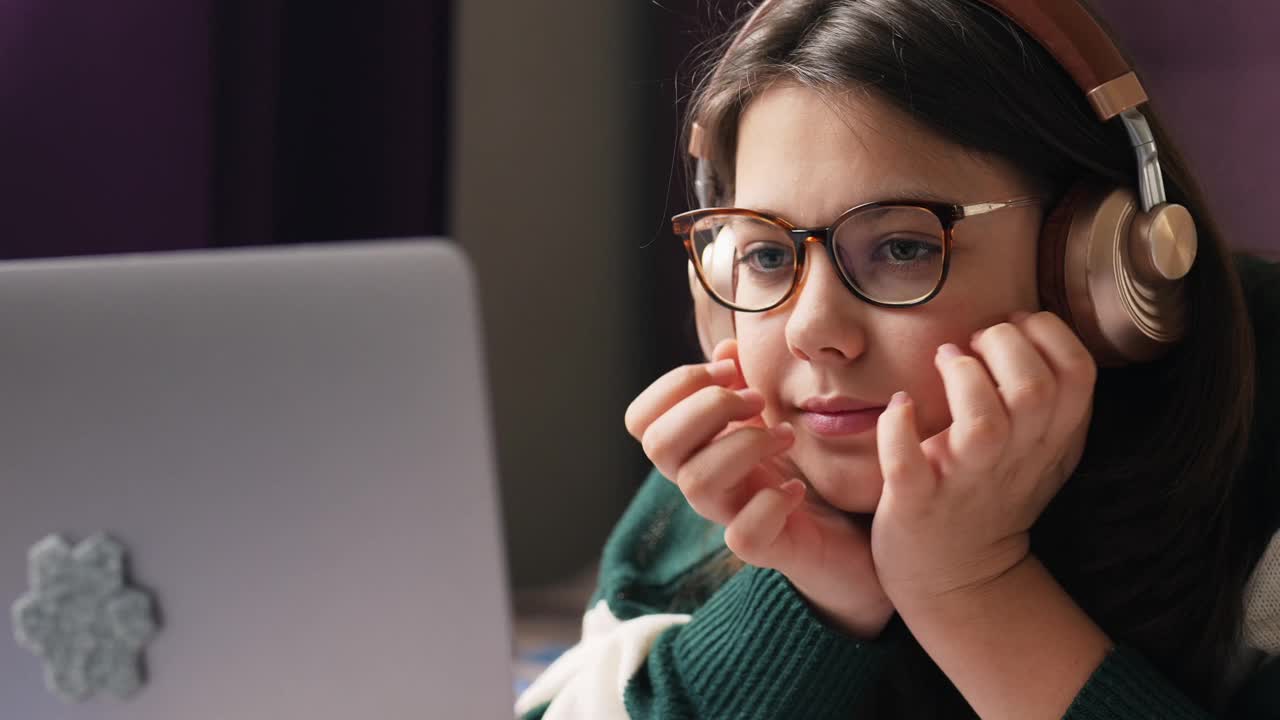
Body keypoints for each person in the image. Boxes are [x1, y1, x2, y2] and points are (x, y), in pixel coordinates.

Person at [515, 0, 1280, 717]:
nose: (813, 332)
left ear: (1095, 266)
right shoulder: (755, 455)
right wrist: (813, 596)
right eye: (768, 256)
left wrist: (973, 590)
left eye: (903, 247)